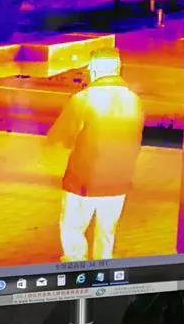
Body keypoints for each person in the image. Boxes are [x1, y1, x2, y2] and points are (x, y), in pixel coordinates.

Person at [48, 48, 145, 262]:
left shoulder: (83, 99)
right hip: (119, 180)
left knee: (73, 228)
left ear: (94, 70)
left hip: (84, 181)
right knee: (106, 232)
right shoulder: (134, 100)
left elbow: (59, 137)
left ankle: (76, 269)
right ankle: (102, 267)